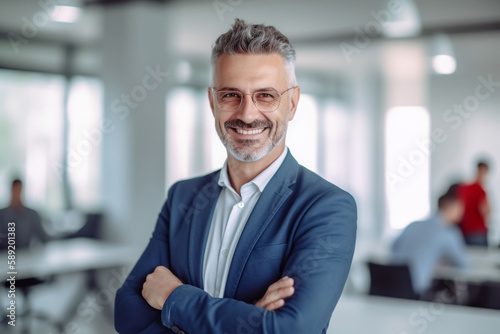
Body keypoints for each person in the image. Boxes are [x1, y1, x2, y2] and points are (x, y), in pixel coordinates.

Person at [115, 19, 357, 334]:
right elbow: (127, 313)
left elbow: (292, 330)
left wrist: (175, 297)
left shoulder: (326, 207)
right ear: (212, 101)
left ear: (293, 103)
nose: (247, 114)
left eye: (266, 96)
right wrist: (250, 319)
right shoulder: (183, 197)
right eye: (231, 95)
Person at [391, 191, 468, 295]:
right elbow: (463, 265)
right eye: (460, 208)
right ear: (452, 208)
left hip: (390, 284)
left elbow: (394, 247)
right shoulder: (449, 232)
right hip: (415, 290)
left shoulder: (414, 225)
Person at [0, 179, 47, 250]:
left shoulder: (31, 215)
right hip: (5, 257)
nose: (17, 194)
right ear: (11, 191)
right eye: (15, 190)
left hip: (24, 257)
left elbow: (44, 237)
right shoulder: (2, 215)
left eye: (19, 191)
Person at [458, 161, 491, 246]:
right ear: (483, 171)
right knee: (481, 259)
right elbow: (485, 211)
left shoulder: (463, 188)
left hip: (464, 232)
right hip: (478, 233)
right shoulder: (480, 190)